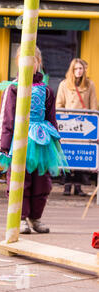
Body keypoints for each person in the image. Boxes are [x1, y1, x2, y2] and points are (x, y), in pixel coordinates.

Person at [0, 46, 67, 234]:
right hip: (19, 140)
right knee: (19, 179)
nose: (28, 64)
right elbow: (6, 117)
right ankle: (20, 217)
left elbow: (51, 117)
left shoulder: (47, 90)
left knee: (42, 181)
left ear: (38, 63)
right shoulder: (13, 88)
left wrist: (55, 141)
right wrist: (4, 144)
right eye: (24, 60)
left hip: (41, 142)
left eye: (32, 60)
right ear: (18, 62)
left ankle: (36, 217)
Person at [56, 58, 97, 197]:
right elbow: (59, 104)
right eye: (77, 68)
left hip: (84, 125)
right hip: (68, 124)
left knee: (80, 155)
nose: (79, 71)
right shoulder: (64, 84)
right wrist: (65, 116)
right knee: (68, 155)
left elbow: (93, 105)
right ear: (72, 70)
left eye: (81, 68)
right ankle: (67, 185)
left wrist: (91, 116)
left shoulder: (90, 84)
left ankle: (78, 187)